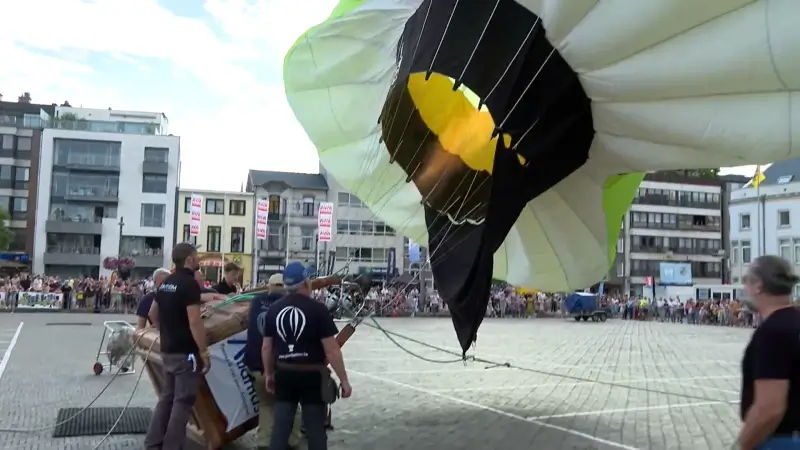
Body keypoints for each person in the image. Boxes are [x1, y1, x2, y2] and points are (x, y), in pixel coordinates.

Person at [262, 262, 352, 450]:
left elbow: (266, 348)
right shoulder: (318, 309)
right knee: (315, 429)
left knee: (281, 428)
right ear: (305, 282)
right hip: (312, 376)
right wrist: (344, 380)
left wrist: (269, 375)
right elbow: (332, 349)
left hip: (285, 373)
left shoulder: (274, 309)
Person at [144, 243, 209, 450]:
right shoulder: (189, 284)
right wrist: (204, 351)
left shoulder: (166, 283)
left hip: (168, 350)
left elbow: (153, 313)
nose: (198, 259)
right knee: (182, 402)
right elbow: (195, 321)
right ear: (189, 260)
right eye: (196, 255)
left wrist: (167, 330)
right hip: (185, 352)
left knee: (166, 398)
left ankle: (152, 443)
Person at [738, 255, 800, 450]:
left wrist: (743, 444)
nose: (744, 287)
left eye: (746, 280)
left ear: (758, 285)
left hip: (781, 441)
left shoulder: (772, 332)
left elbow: (769, 409)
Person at [244, 273, 303, 450]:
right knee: (292, 404)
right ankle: (292, 441)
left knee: (266, 405)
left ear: (268, 287)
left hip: (256, 365)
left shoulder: (256, 302)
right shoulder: (292, 306)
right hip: (283, 366)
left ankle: (264, 442)